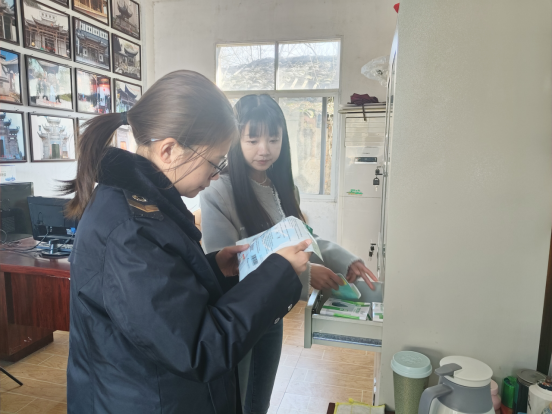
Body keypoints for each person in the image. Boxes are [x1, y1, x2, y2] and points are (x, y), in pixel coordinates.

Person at [62, 71, 313, 414]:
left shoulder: (146, 205)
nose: (216, 174)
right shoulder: (130, 231)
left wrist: (214, 268)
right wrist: (276, 273)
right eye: (215, 162)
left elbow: (161, 295)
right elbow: (198, 348)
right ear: (169, 151)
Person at [201, 94, 378, 414]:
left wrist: (345, 259)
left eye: (273, 138)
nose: (264, 149)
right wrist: (306, 274)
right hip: (236, 319)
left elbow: (306, 238)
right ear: (235, 140)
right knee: (236, 402)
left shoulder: (284, 187)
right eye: (252, 139)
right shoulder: (218, 190)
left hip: (272, 315)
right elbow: (227, 267)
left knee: (259, 402)